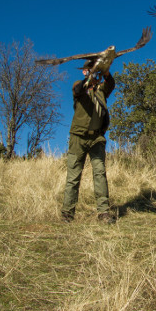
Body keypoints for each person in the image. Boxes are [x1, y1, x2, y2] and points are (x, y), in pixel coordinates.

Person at [60, 62, 116, 224]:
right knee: (73, 176)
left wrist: (105, 72)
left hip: (97, 138)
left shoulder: (102, 90)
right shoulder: (79, 86)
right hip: (78, 137)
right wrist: (88, 80)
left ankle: (104, 212)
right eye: (90, 69)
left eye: (95, 69)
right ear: (85, 71)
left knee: (100, 173)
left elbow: (111, 84)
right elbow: (78, 90)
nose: (93, 72)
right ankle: (67, 214)